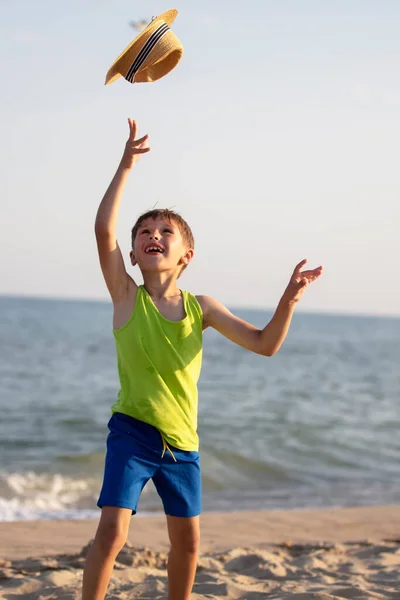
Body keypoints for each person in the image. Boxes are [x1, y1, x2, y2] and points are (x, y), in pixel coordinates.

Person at [82, 118, 323, 600]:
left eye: (165, 231)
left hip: (182, 443)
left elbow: (265, 344)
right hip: (132, 431)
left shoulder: (202, 308)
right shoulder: (127, 297)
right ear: (132, 254)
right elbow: (103, 227)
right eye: (145, 231)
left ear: (186, 254)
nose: (154, 234)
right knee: (112, 531)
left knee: (188, 544)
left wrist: (289, 300)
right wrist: (126, 165)